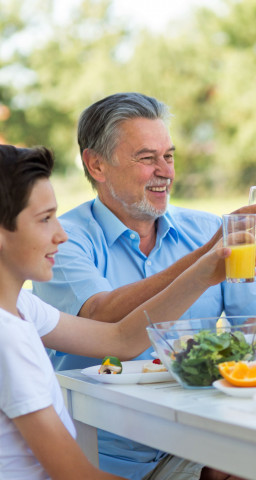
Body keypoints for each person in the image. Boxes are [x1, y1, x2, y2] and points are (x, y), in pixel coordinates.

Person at [32, 92, 256, 479]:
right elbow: (100, 314)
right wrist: (202, 260)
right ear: (96, 164)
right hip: (101, 456)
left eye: (169, 156)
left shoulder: (207, 228)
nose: (165, 171)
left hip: (197, 442)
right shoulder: (62, 238)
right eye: (147, 158)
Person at [0, 144, 242, 480]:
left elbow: (121, 338)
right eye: (45, 219)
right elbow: (77, 476)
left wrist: (203, 274)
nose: (61, 234)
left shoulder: (21, 307)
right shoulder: (7, 337)